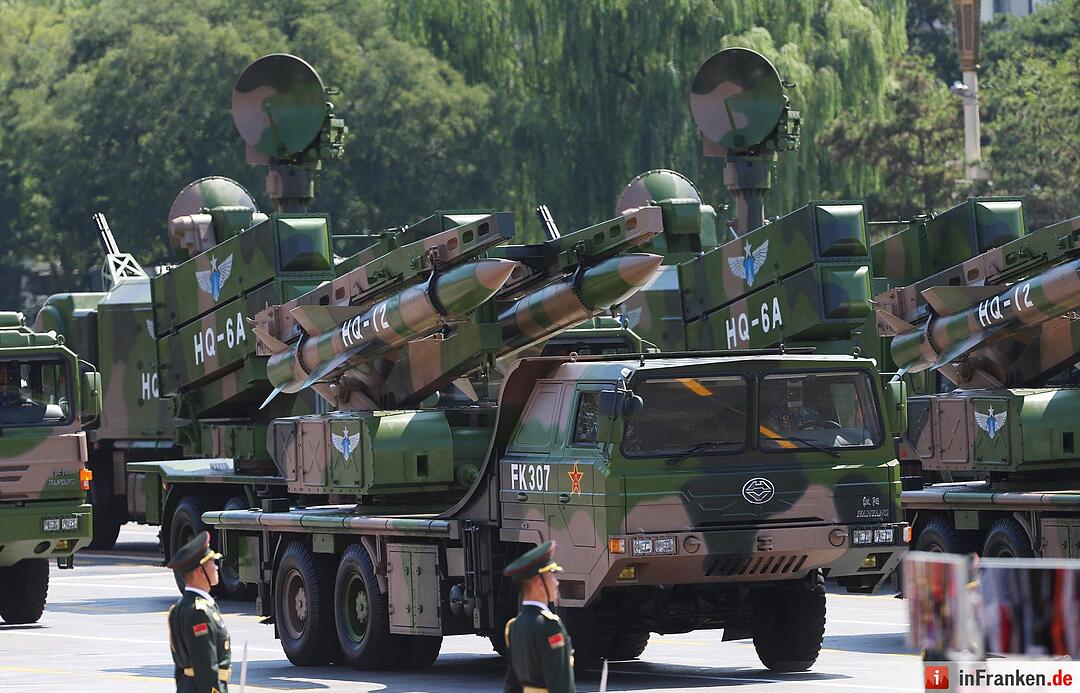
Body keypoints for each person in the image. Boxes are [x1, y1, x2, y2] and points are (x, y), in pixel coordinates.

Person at [503, 540, 575, 693]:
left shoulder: (514, 626)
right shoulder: (549, 626)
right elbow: (561, 685)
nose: (556, 583)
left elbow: (512, 684)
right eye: (552, 576)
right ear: (538, 583)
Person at [166, 531, 231, 693]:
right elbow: (206, 667)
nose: (216, 567)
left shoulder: (179, 608)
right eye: (211, 562)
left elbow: (180, 670)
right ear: (199, 571)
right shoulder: (199, 612)